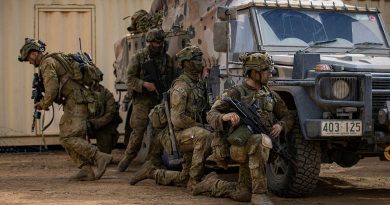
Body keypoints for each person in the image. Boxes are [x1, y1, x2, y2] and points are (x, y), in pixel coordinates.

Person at [194, 52, 295, 205]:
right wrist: (225, 117)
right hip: (237, 146)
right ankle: (260, 194)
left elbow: (288, 116)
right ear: (254, 72)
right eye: (266, 70)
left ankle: (210, 183)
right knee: (261, 140)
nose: (270, 73)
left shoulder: (270, 94)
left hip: (256, 149)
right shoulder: (235, 92)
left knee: (242, 194)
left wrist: (281, 125)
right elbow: (211, 114)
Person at [18, 38, 112, 181]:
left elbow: (52, 89)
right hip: (75, 101)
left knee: (67, 137)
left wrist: (42, 104)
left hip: (77, 102)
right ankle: (86, 169)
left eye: (28, 59)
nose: (29, 62)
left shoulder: (47, 64)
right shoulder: (55, 58)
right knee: (71, 136)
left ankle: (99, 157)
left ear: (33, 54)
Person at [128, 45, 212, 191]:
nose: (201, 62)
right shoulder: (181, 87)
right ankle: (195, 182)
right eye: (197, 59)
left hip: (190, 131)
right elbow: (177, 120)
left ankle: (152, 173)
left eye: (201, 58)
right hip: (176, 134)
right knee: (204, 136)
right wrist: (201, 126)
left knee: (182, 177)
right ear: (187, 63)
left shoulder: (198, 84)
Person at [117, 28, 176, 172]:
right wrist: (144, 84)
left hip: (159, 99)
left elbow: (170, 78)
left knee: (158, 131)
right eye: (155, 42)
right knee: (138, 131)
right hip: (142, 99)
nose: (158, 45)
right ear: (149, 42)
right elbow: (129, 79)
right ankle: (128, 158)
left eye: (160, 42)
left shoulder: (166, 59)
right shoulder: (139, 57)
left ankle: (153, 162)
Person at [87, 84, 122, 154]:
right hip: (86, 125)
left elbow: (110, 115)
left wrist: (94, 122)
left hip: (103, 126)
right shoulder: (84, 93)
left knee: (104, 155)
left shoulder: (107, 95)